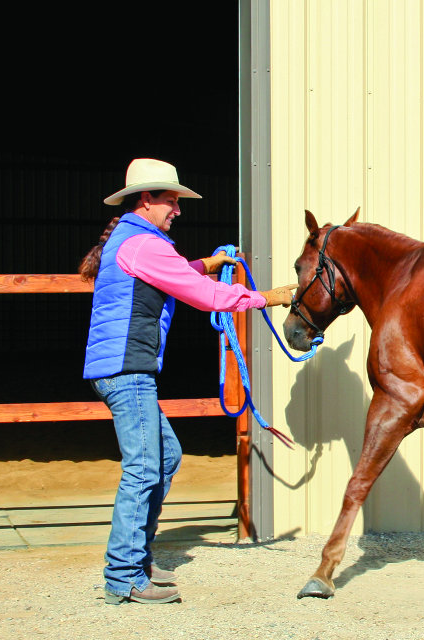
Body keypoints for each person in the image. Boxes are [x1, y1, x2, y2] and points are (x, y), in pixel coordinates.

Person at [80, 158, 296, 604]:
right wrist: (264, 298)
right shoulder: (143, 244)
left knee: (165, 458)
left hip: (123, 370)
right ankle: (123, 576)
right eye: (171, 200)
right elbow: (203, 296)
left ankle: (135, 560)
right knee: (143, 468)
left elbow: (175, 275)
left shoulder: (135, 240)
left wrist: (205, 262)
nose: (177, 209)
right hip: (128, 370)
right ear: (147, 201)